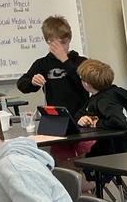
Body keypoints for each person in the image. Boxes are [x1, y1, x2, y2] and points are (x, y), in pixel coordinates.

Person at [16, 15, 90, 166]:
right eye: (55, 44)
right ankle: (75, 186)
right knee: (61, 163)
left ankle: (86, 185)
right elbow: (22, 84)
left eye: (64, 42)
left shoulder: (80, 62)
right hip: (57, 122)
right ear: (48, 42)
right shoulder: (43, 64)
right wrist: (32, 81)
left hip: (81, 118)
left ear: (69, 39)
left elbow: (83, 83)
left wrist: (65, 61)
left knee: (84, 160)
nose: (60, 48)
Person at [74, 59, 127, 158]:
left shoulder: (104, 101)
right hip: (113, 148)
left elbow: (119, 122)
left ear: (86, 84)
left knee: (65, 165)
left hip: (118, 152)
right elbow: (80, 113)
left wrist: (97, 123)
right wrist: (81, 119)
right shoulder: (98, 96)